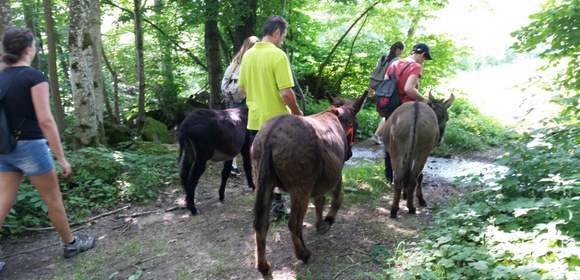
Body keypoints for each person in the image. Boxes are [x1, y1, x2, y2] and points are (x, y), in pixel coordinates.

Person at [0, 27, 96, 271]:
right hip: (30, 147)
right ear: (29, 49)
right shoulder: (34, 77)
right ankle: (71, 244)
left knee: (2, 201)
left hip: (4, 148)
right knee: (53, 199)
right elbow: (45, 120)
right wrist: (61, 157)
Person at [238, 16, 303, 220]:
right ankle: (282, 205)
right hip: (277, 123)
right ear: (276, 32)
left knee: (262, 166)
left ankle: (268, 206)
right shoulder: (278, 55)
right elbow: (285, 93)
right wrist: (297, 113)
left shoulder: (247, 56)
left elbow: (242, 89)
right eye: (282, 35)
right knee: (285, 164)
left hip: (255, 120)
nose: (282, 39)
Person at [382, 42, 432, 182]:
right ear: (422, 54)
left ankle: (389, 177)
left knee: (390, 141)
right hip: (406, 106)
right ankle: (406, 178)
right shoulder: (416, 66)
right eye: (425, 58)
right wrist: (424, 100)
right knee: (409, 143)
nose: (424, 61)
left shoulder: (395, 63)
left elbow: (386, 83)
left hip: (390, 106)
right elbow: (409, 89)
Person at [221, 35, 259, 176]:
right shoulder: (251, 62)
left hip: (232, 99)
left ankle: (233, 165)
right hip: (245, 100)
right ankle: (252, 161)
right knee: (249, 131)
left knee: (234, 132)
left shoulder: (235, 62)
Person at [369, 41, 405, 145]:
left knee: (384, 112)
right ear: (398, 50)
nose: (401, 53)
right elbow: (393, 76)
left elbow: (375, 72)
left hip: (376, 87)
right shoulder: (397, 61)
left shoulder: (383, 57)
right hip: (387, 89)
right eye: (401, 51)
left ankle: (378, 135)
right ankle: (378, 135)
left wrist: (371, 86)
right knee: (389, 112)